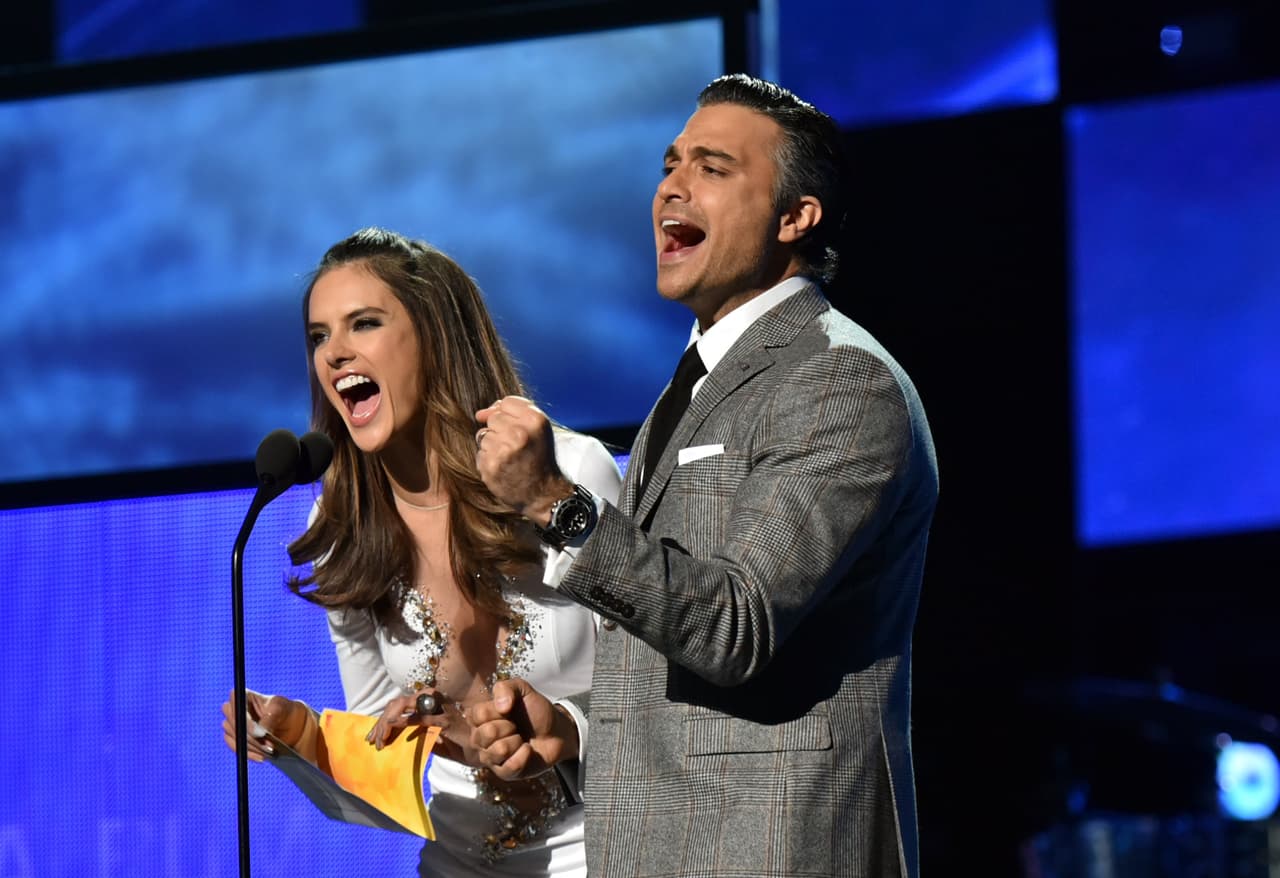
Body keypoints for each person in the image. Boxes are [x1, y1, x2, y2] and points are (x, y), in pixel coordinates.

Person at [469, 74, 939, 877]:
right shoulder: (700, 382)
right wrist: (573, 729)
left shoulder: (840, 381)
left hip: (775, 850)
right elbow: (673, 638)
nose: (671, 189)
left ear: (798, 217)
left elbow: (734, 625)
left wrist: (556, 504)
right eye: (670, 164)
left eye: (713, 169)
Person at [219, 227, 622, 877]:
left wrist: (565, 729)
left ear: (434, 337)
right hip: (458, 859)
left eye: (364, 324)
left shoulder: (565, 473)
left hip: (605, 849)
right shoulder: (344, 521)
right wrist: (307, 740)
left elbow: (673, 707)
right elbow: (390, 767)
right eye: (319, 336)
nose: (335, 354)